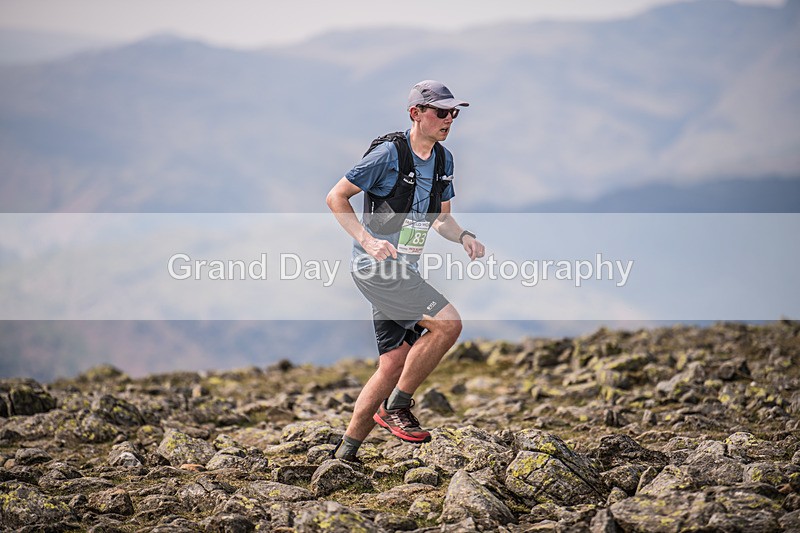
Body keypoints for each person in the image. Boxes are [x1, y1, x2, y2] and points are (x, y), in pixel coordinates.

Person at [326, 80, 485, 463]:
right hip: (377, 267)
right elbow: (336, 197)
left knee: (393, 363)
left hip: (403, 268)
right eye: (441, 112)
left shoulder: (444, 160)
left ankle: (344, 455)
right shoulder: (388, 155)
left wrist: (463, 235)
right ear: (416, 113)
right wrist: (367, 240)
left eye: (454, 113)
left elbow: (441, 220)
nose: (449, 119)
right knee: (448, 325)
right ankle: (397, 405)